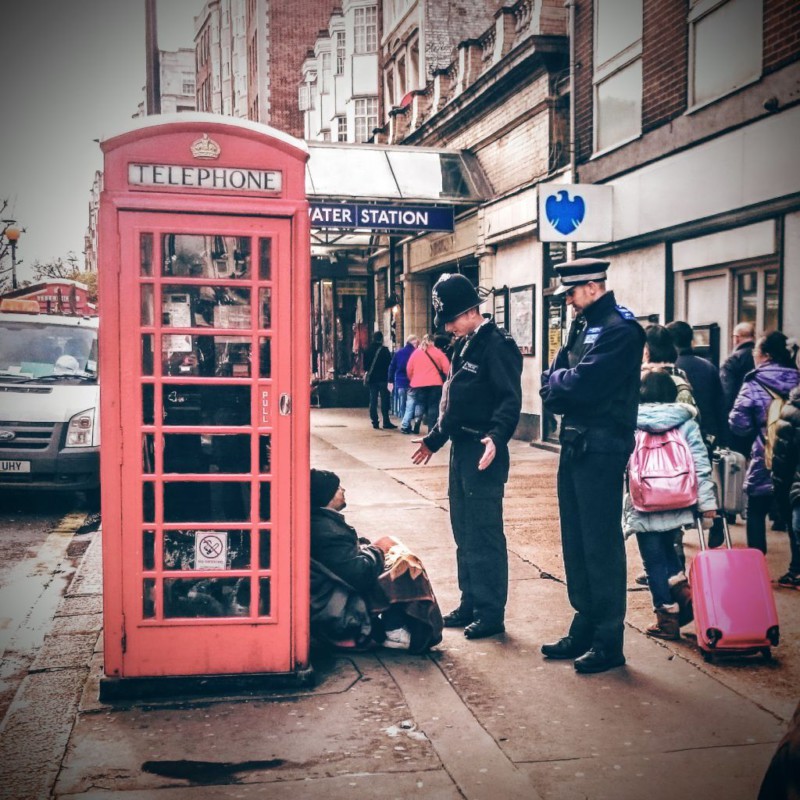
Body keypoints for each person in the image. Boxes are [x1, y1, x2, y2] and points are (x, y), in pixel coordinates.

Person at [539, 257, 645, 674]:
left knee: (600, 544)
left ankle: (608, 639)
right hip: (575, 440)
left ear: (593, 287)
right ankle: (585, 623)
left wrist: (562, 383)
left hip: (602, 445)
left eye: (570, 292)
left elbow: (584, 383)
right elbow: (553, 381)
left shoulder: (621, 330)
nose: (567, 300)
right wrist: (561, 383)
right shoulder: (583, 325)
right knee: (576, 541)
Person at [410, 273, 522, 640]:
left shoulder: (497, 345)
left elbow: (509, 399)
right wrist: (434, 440)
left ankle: (491, 613)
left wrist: (497, 437)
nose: (448, 327)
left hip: (483, 450)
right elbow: (454, 405)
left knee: (484, 534)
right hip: (462, 449)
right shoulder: (465, 345)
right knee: (463, 531)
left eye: (452, 319)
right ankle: (470, 601)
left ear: (472, 311)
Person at [624, 371, 716, 640]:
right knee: (670, 552)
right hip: (678, 498)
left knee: (653, 562)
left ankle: (667, 619)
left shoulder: (631, 422)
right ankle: (685, 596)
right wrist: (707, 504)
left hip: (644, 501)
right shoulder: (686, 422)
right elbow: (700, 464)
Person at [309, 469, 443, 652]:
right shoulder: (328, 532)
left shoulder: (320, 522)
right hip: (337, 607)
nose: (343, 490)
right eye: (338, 487)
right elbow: (360, 574)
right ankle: (395, 630)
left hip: (331, 592)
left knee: (397, 557)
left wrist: (368, 547)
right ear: (327, 496)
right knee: (403, 567)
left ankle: (395, 625)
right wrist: (378, 549)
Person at [729, 331, 800, 553]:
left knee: (756, 509)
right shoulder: (797, 378)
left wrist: (757, 430)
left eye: (755, 351)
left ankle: (757, 560)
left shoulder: (754, 381)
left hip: (765, 451)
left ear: (766, 355)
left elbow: (738, 424)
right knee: (794, 507)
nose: (754, 355)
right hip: (795, 454)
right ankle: (796, 565)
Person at [667, 319, 728, 548]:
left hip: (676, 436)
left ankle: (677, 535)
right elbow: (720, 406)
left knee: (676, 483)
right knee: (706, 479)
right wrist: (723, 438)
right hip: (706, 436)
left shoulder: (671, 369)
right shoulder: (708, 367)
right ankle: (716, 520)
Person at [773, 382, 800, 589]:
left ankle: (796, 571)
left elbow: (784, 454)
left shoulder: (793, 408)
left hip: (795, 480)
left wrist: (780, 484)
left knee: (796, 526)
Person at [401, 334, 450, 434]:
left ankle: (417, 424)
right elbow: (447, 368)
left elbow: (409, 369)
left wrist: (413, 379)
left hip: (418, 384)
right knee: (433, 406)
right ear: (433, 342)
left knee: (420, 404)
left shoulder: (415, 353)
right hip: (435, 383)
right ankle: (431, 429)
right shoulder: (438, 353)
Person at [721, 322, 756, 455]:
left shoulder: (733, 360)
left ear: (737, 338)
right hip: (760, 419)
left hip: (738, 421)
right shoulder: (762, 357)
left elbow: (726, 393)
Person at [363, 331, 397, 430]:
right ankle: (386, 421)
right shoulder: (385, 350)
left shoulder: (367, 350)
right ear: (381, 339)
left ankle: (375, 421)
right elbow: (389, 364)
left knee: (373, 400)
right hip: (383, 378)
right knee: (385, 399)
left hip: (372, 379)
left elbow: (365, 367)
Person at [388, 334, 419, 424]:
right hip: (412, 382)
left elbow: (392, 367)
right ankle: (407, 423)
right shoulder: (416, 353)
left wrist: (390, 380)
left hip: (400, 381)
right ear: (413, 342)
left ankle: (404, 420)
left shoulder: (398, 353)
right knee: (411, 403)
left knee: (402, 403)